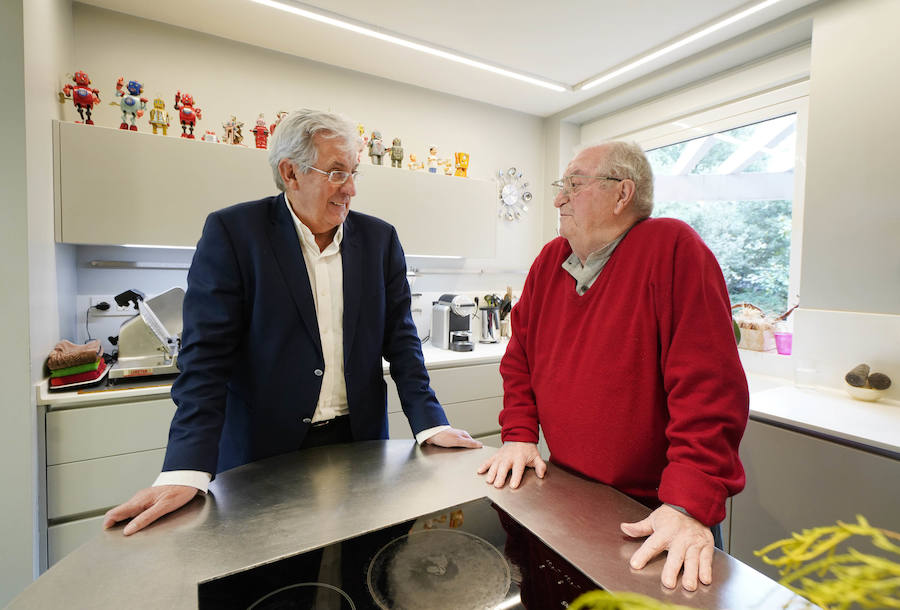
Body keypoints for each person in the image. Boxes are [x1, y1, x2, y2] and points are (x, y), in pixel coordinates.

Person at [104, 109, 481, 536]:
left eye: (354, 173)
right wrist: (185, 469)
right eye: (337, 173)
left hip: (360, 444)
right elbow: (205, 361)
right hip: (261, 451)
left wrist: (431, 423)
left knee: (362, 567)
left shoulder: (379, 240)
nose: (351, 189)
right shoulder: (234, 233)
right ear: (290, 173)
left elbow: (402, 342)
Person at [477, 141, 748, 592]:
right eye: (560, 186)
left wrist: (687, 504)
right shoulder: (549, 261)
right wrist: (520, 433)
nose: (559, 197)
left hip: (655, 512)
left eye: (574, 185)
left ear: (623, 194)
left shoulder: (672, 247)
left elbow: (710, 388)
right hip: (569, 495)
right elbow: (519, 357)